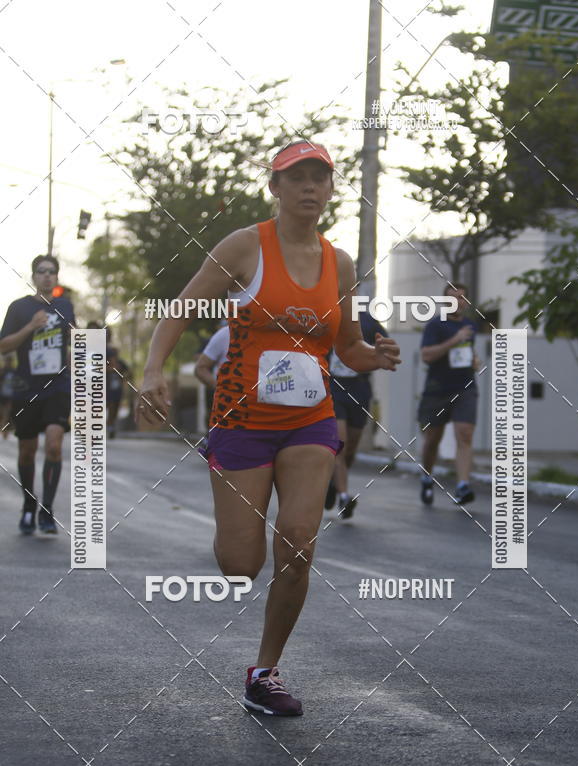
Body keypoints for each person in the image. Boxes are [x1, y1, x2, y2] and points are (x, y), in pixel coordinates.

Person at [138, 139, 400, 716]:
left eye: (319, 178)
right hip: (242, 420)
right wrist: (154, 368)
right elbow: (180, 307)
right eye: (297, 177)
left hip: (311, 420)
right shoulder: (244, 247)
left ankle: (265, 671)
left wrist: (373, 355)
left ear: (331, 190)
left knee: (300, 544)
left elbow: (347, 346)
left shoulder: (341, 263)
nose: (310, 187)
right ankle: (235, 526)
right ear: (275, 187)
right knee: (240, 564)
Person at [0, 255, 76, 534]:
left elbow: (71, 339)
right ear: (33, 276)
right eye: (42, 272)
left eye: (52, 272)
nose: (47, 276)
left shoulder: (65, 306)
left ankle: (47, 510)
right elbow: (4, 346)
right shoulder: (19, 308)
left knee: (54, 445)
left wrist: (74, 355)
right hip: (26, 388)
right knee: (27, 452)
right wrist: (31, 327)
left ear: (57, 277)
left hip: (57, 387)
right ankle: (29, 505)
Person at [417, 282, 480, 506]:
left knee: (465, 435)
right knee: (433, 439)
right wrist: (454, 340)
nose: (458, 302)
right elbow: (426, 355)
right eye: (453, 298)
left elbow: (465, 353)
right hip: (437, 390)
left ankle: (463, 486)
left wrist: (474, 361)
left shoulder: (470, 327)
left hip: (465, 386)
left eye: (462, 298)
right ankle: (427, 477)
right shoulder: (436, 325)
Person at [326, 309, 388, 518]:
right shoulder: (325, 315)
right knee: (340, 446)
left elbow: (384, 347)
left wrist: (380, 354)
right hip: (333, 388)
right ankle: (344, 497)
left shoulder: (368, 321)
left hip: (359, 389)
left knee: (351, 448)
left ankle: (335, 484)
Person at [0, 353, 16, 438]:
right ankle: (3, 430)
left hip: (10, 396)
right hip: (2, 395)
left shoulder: (14, 371)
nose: (8, 362)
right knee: (2, 413)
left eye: (9, 360)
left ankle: (4, 431)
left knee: (7, 413)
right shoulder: (2, 371)